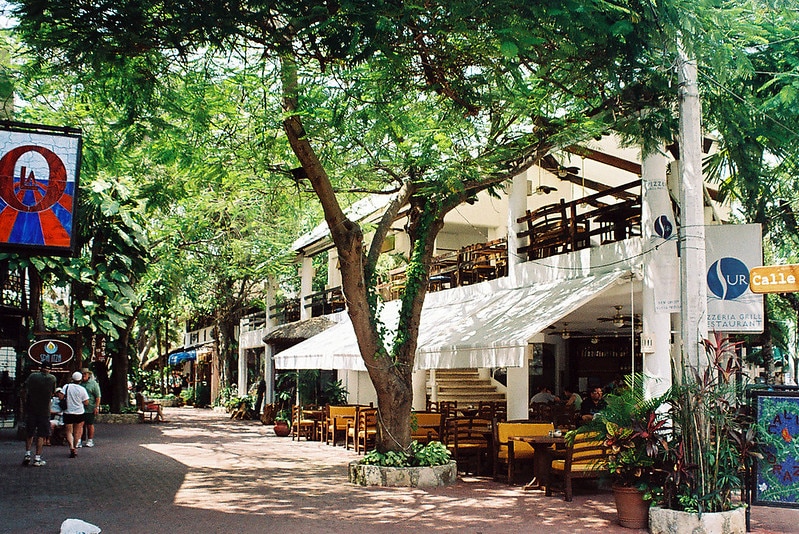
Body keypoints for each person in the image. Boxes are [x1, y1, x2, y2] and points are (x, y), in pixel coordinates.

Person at [22, 360, 57, 466]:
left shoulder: (32, 376)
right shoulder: (52, 378)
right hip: (44, 411)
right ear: (50, 369)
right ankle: (37, 458)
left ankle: (27, 454)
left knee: (29, 433)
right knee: (41, 435)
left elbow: (24, 389)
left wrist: (25, 404)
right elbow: (53, 392)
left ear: (41, 367)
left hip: (31, 409)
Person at [61, 371, 89, 458]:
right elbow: (86, 402)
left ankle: (71, 447)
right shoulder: (82, 389)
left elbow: (61, 397)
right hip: (79, 412)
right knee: (77, 431)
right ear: (80, 380)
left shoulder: (66, 386)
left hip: (68, 412)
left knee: (69, 431)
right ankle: (75, 447)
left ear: (72, 379)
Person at [79, 367, 102, 448]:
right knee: (80, 424)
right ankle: (79, 440)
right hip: (80, 407)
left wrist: (96, 407)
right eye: (82, 374)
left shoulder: (93, 384)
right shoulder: (79, 383)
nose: (83, 375)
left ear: (88, 374)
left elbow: (98, 397)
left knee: (89, 424)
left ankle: (90, 440)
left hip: (90, 407)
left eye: (85, 374)